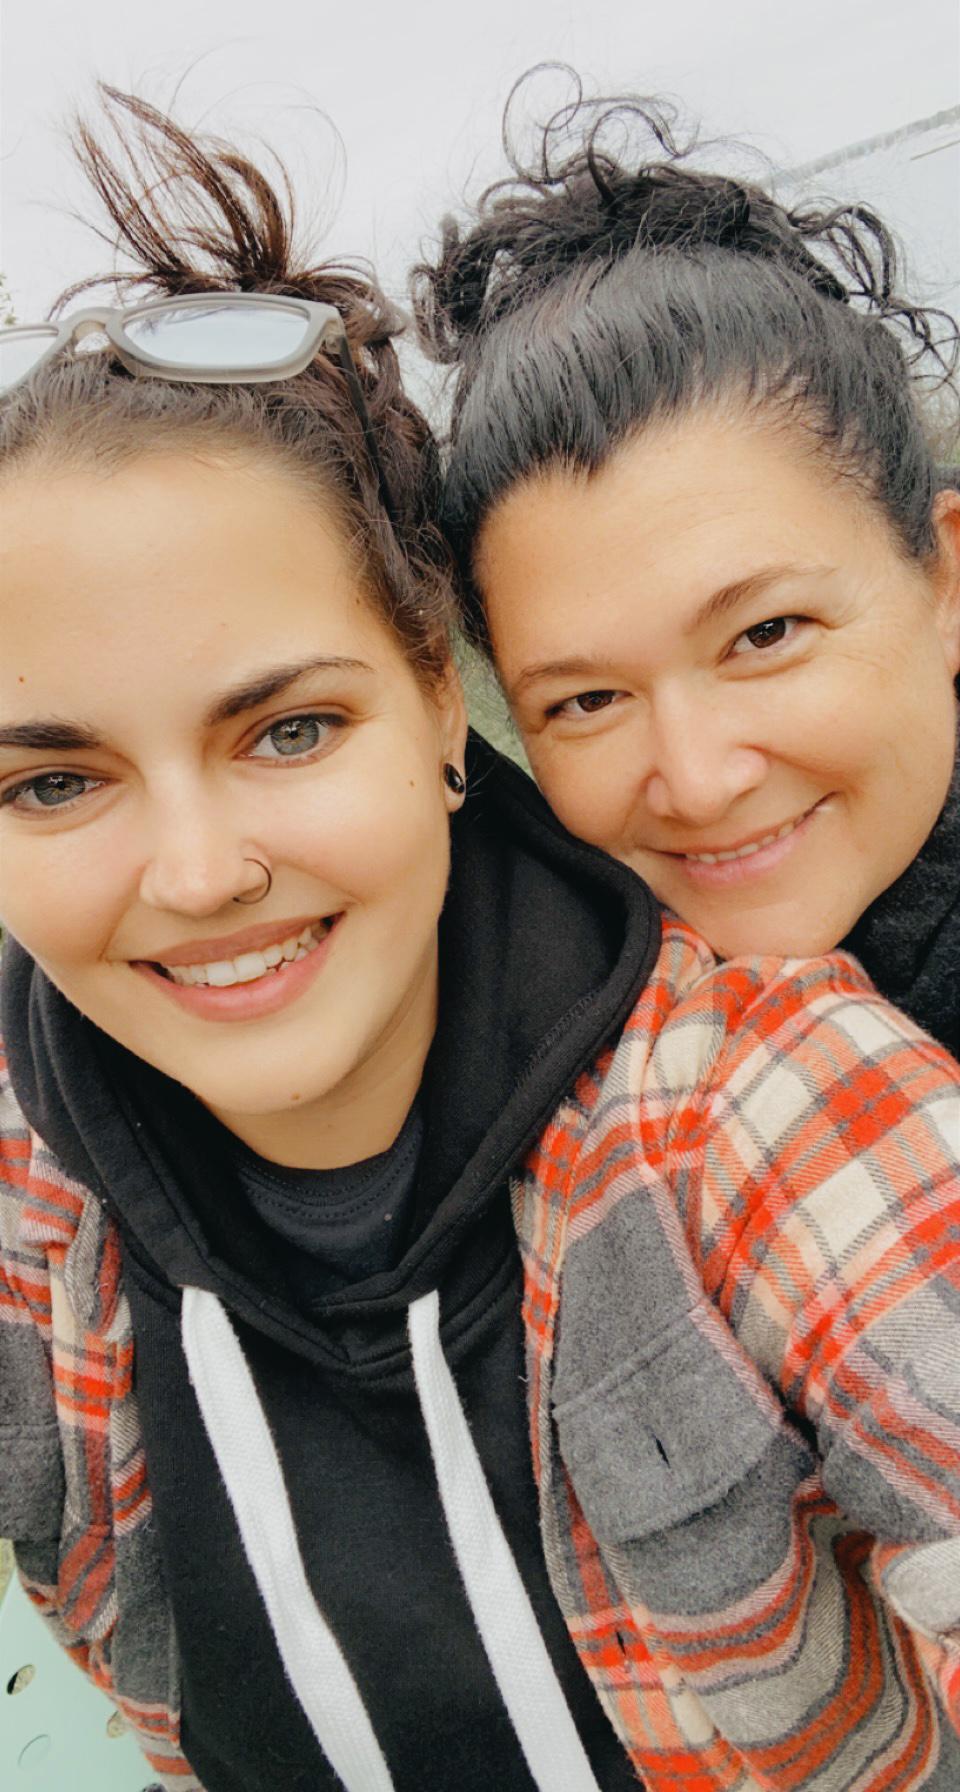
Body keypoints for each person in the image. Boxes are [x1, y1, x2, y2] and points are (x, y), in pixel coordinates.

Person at [1, 89, 959, 1792]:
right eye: (56, 779)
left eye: (290, 729)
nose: (200, 873)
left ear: (440, 709)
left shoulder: (765, 1104)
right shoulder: (39, 1202)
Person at [414, 81, 960, 1057]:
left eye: (765, 635)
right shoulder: (544, 1031)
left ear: (945, 579)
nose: (699, 784)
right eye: (587, 701)